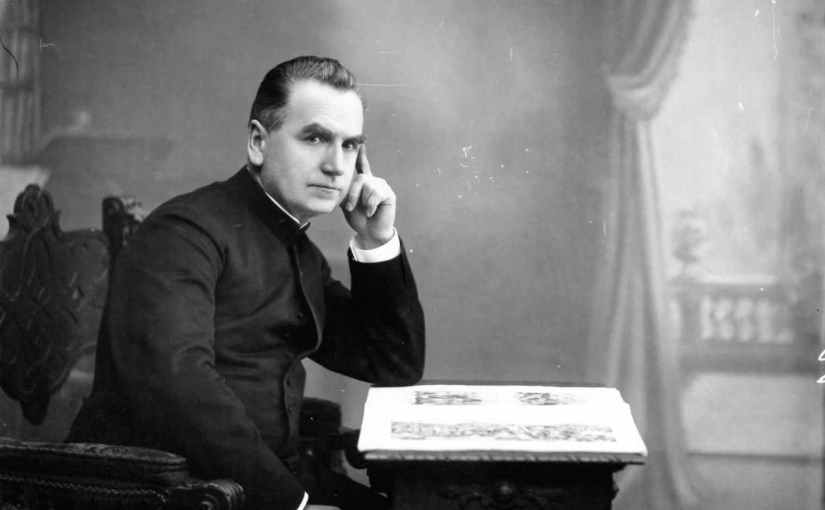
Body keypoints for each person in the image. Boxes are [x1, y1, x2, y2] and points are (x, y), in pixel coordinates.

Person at [68, 56, 426, 510]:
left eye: (350, 145)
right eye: (315, 138)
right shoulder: (183, 234)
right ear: (258, 142)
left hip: (266, 482)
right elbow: (178, 389)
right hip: (171, 492)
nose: (337, 166)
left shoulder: (299, 251)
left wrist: (376, 240)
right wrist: (292, 503)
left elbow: (394, 362)